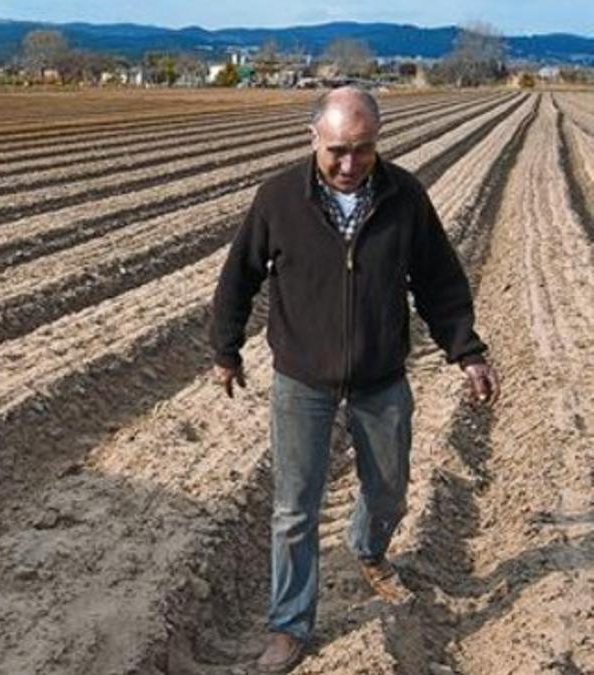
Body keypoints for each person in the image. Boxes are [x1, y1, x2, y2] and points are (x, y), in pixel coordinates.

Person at [208, 86, 500, 674]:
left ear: (377, 143)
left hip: (380, 375)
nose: (348, 165)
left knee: (389, 490)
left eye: (363, 151)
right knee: (294, 508)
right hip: (303, 378)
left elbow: (439, 281)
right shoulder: (279, 199)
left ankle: (368, 549)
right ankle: (289, 626)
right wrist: (226, 349)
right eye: (338, 149)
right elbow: (238, 277)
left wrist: (467, 351)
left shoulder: (404, 197)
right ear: (314, 137)